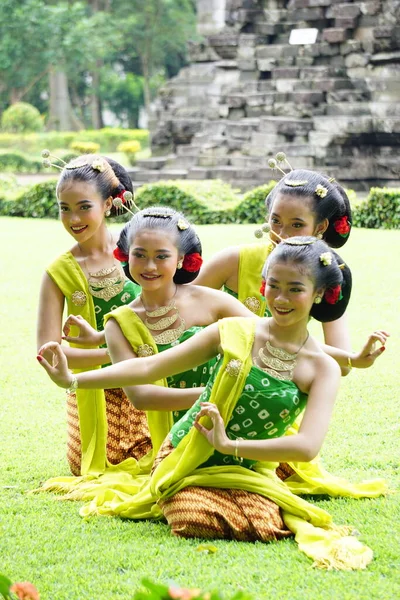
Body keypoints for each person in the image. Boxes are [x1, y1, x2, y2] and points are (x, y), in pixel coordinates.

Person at [37, 237, 388, 570]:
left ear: (319, 294)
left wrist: (229, 445)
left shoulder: (322, 368)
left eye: (295, 289)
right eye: (273, 285)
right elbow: (149, 366)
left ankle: (250, 498)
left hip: (249, 467)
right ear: (263, 283)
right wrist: (72, 379)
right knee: (191, 517)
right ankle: (187, 490)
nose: (280, 298)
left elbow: (306, 446)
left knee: (263, 523)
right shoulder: (235, 330)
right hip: (187, 451)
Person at [61, 205, 255, 457]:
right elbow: (141, 397)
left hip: (232, 424)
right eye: (140, 255)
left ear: (182, 259)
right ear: (125, 256)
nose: (149, 266)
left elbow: (268, 336)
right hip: (170, 442)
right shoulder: (118, 324)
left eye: (162, 256)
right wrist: (218, 395)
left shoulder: (212, 301)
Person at [36, 152, 150, 476]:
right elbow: (49, 355)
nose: (74, 219)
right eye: (65, 208)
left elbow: (173, 312)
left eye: (84, 206)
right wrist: (121, 356)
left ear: (108, 204)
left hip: (152, 378)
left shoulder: (138, 252)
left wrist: (142, 362)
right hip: (95, 390)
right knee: (107, 464)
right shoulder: (58, 273)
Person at [195, 165, 353, 360]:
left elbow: (344, 361)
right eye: (276, 221)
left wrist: (290, 346)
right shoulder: (233, 260)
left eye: (297, 225)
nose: (282, 234)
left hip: (283, 378)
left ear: (320, 227)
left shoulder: (324, 272)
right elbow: (179, 305)